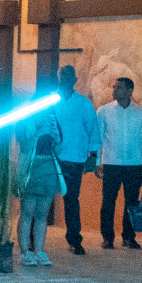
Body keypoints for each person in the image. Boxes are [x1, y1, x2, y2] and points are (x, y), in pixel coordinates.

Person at [95, 76, 142, 250]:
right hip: (111, 163)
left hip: (134, 164)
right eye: (114, 87)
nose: (114, 90)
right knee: (108, 202)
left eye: (119, 87)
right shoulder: (104, 111)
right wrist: (97, 162)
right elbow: (98, 139)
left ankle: (128, 237)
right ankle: (107, 238)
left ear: (130, 91)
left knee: (131, 203)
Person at [47, 65, 100, 254]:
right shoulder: (49, 101)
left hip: (75, 159)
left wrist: (94, 156)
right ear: (58, 77)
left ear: (75, 80)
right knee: (43, 198)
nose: (65, 79)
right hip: (50, 158)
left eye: (69, 76)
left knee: (71, 200)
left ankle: (75, 240)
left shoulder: (84, 104)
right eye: (62, 75)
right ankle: (34, 241)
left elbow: (93, 130)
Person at [14, 118, 65, 267]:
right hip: (31, 167)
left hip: (49, 167)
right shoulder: (25, 120)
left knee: (42, 214)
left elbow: (58, 151)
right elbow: (24, 148)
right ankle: (24, 252)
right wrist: (38, 133)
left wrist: (57, 139)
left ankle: (39, 251)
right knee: (27, 212)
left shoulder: (53, 120)